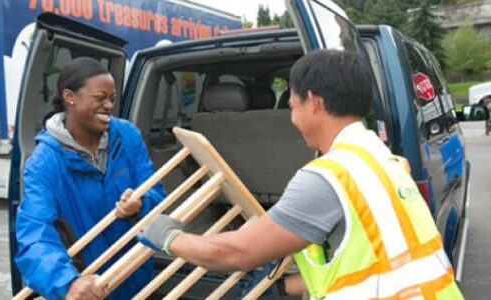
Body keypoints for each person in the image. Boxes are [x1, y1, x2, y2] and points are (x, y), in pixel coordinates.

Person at [139, 50, 464, 299]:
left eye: (292, 106)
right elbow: (364, 260)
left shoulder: (328, 176)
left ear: (315, 102)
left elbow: (236, 252)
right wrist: (285, 287)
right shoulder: (382, 157)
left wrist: (171, 239)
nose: (291, 118)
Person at [15, 57, 166, 300]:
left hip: (137, 276)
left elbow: (157, 193)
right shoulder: (43, 163)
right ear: (69, 96)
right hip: (89, 287)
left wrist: (141, 204)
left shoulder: (127, 136)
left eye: (112, 99)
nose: (108, 105)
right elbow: (35, 235)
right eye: (100, 98)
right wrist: (67, 283)